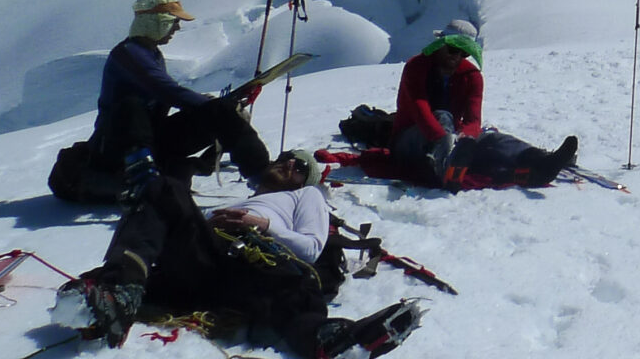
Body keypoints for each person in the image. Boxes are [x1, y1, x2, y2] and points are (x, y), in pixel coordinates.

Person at [53, 150, 422, 357]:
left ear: (306, 181)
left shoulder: (305, 196)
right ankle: (117, 293)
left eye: (299, 166)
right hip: (208, 262)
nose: (289, 162)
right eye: (287, 157)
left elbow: (310, 248)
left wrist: (260, 225)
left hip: (260, 264)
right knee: (164, 190)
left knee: (290, 298)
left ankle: (333, 340)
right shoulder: (238, 200)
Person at [88, 0, 272, 183]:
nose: (177, 27)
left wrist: (215, 107)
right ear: (156, 22)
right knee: (216, 111)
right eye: (173, 21)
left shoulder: (148, 53)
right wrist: (212, 106)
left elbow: (167, 92)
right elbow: (167, 91)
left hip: (150, 140)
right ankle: (261, 176)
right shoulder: (128, 55)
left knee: (221, 113)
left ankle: (260, 173)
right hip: (117, 148)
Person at [389, 22, 576, 189]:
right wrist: (443, 139)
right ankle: (446, 166)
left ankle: (539, 161)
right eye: (453, 49)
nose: (457, 57)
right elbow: (419, 108)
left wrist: (467, 138)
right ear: (440, 45)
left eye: (464, 53)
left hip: (452, 139)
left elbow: (473, 118)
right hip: (410, 138)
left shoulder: (472, 76)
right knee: (443, 116)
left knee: (494, 140)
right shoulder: (416, 67)